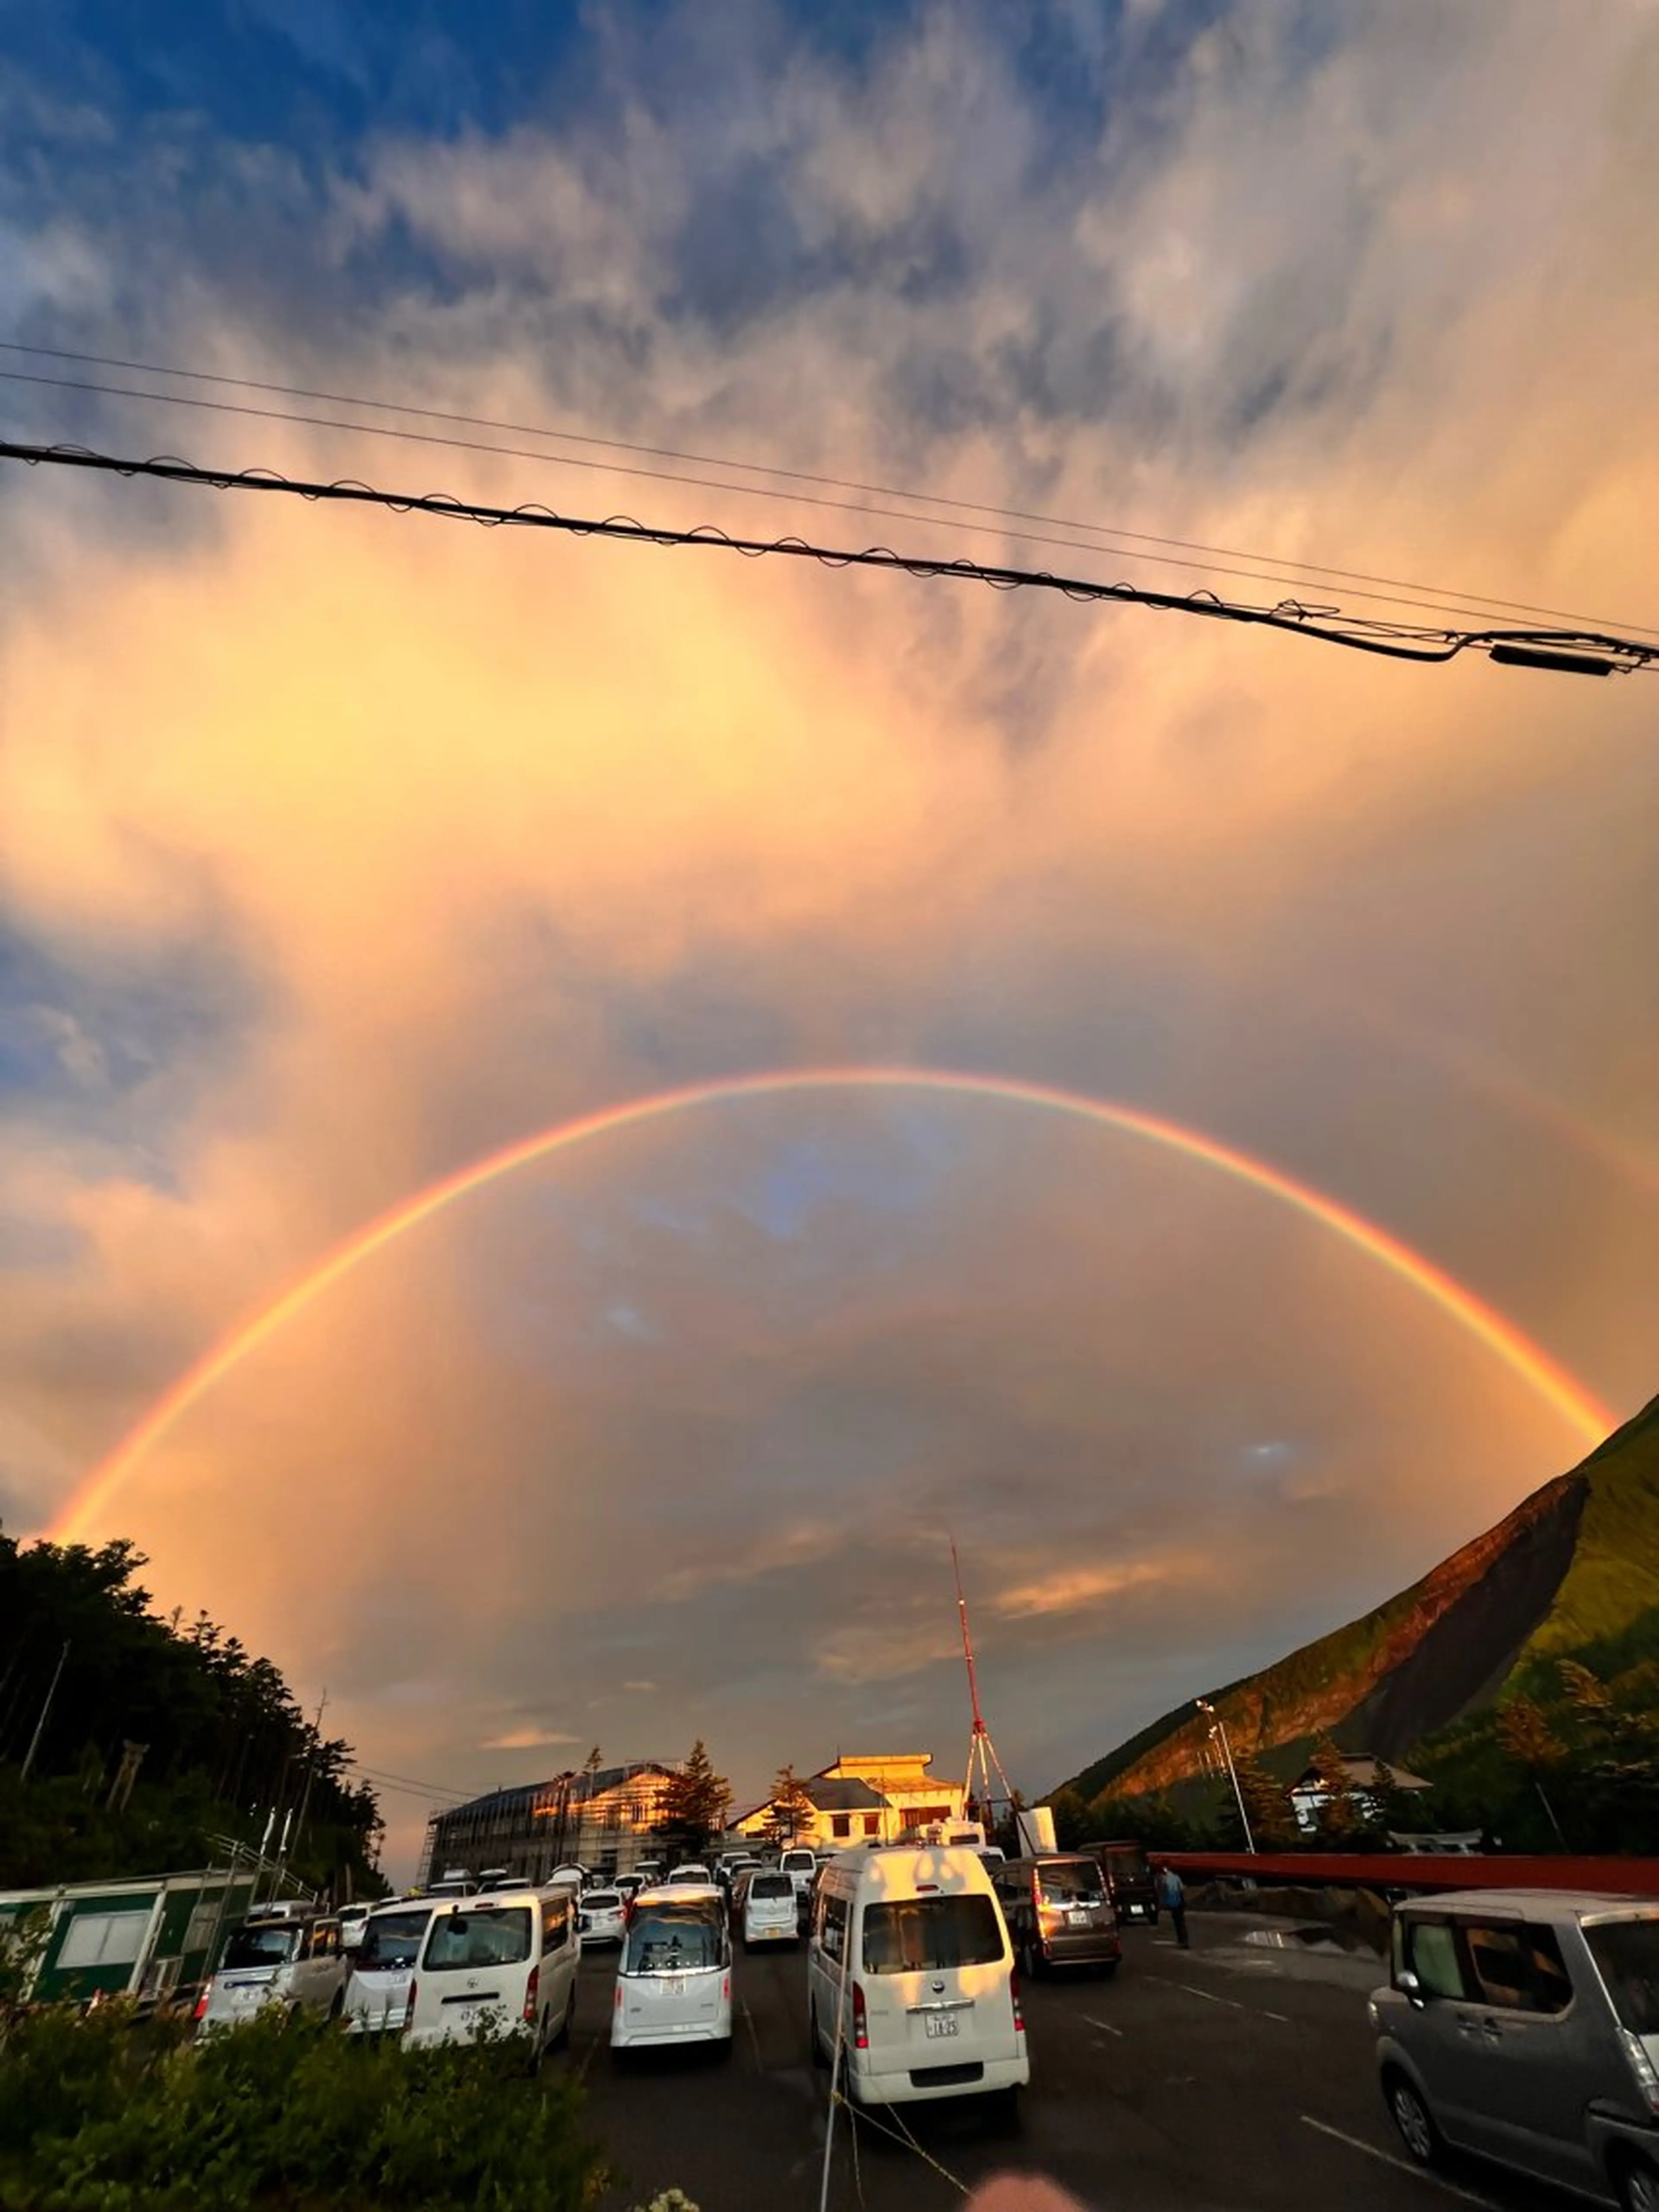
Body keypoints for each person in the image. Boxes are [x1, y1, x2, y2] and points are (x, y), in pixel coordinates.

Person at [1156, 1861, 1188, 1948]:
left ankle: (1182, 1941)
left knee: (1178, 1923)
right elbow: (1182, 1889)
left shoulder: (1163, 1879)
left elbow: (1161, 1891)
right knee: (1181, 1923)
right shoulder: (1176, 1877)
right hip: (1179, 1903)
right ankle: (1183, 1941)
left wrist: (1162, 1903)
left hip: (1174, 1903)